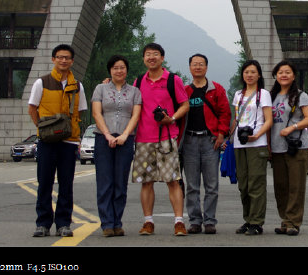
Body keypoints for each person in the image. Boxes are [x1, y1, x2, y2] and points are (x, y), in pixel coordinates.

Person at [27, 44, 87, 238]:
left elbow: (81, 111)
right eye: (60, 57)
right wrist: (42, 130)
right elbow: (32, 108)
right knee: (44, 182)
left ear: (72, 61)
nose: (63, 60)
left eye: (67, 57)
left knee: (66, 183)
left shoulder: (77, 86)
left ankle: (63, 223)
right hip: (47, 141)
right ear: (53, 59)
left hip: (69, 141)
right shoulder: (41, 83)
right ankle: (43, 223)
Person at [132, 43, 189, 236]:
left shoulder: (173, 80)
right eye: (148, 54)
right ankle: (148, 221)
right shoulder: (138, 81)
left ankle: (179, 222)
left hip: (167, 137)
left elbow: (185, 105)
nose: (151, 58)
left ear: (162, 58)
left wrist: (171, 118)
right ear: (143, 58)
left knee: (173, 180)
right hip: (143, 139)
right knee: (146, 182)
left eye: (155, 54)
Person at [91, 54, 142, 237]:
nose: (119, 71)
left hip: (125, 140)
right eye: (115, 68)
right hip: (103, 139)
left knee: (120, 183)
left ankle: (117, 222)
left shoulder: (135, 92)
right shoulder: (100, 89)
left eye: (122, 67)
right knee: (105, 182)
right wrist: (107, 135)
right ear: (110, 71)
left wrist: (124, 135)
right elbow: (97, 114)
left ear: (126, 70)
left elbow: (135, 116)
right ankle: (106, 223)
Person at [182, 53, 231, 235]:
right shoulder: (184, 90)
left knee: (212, 185)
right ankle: (195, 221)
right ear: (190, 68)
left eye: (201, 64)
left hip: (211, 141)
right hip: (189, 140)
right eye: (194, 64)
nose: (198, 67)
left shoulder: (216, 89)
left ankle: (210, 221)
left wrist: (221, 134)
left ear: (206, 67)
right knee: (192, 185)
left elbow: (225, 113)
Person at [269, 60, 308, 236]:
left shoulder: (300, 96)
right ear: (276, 75)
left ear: (293, 75)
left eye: (287, 72)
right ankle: (285, 219)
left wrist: (293, 127)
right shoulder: (271, 96)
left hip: (297, 147)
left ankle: (293, 223)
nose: (284, 75)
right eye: (280, 72)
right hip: (276, 147)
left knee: (296, 186)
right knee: (280, 187)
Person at [231, 60, 272, 236]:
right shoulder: (238, 94)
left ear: (259, 75)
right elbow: (237, 119)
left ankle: (257, 222)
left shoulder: (263, 94)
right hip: (240, 143)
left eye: (253, 72)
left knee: (256, 183)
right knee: (243, 184)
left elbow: (268, 119)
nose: (249, 75)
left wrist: (257, 134)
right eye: (246, 72)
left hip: (257, 143)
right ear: (243, 75)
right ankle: (248, 219)